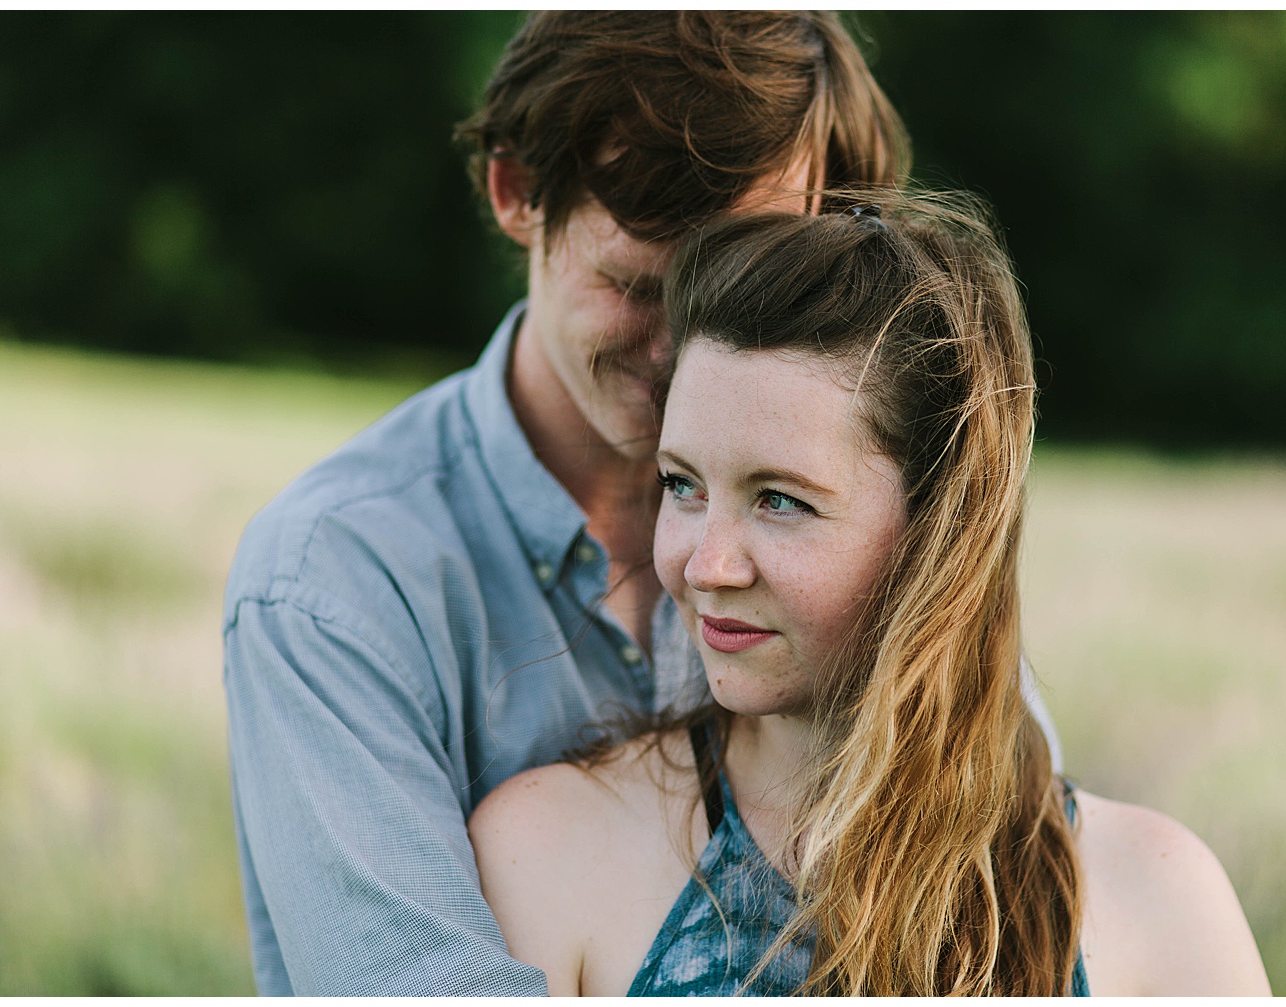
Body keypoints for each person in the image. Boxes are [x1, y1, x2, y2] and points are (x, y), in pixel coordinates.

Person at [222, 12, 923, 996]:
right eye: (638, 285)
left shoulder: (884, 520)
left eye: (747, 282)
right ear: (515, 191)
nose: (688, 344)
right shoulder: (334, 577)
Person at [469, 191, 1273, 996]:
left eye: (780, 499)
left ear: (943, 529)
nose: (705, 563)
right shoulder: (554, 853)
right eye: (682, 484)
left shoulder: (1158, 902)